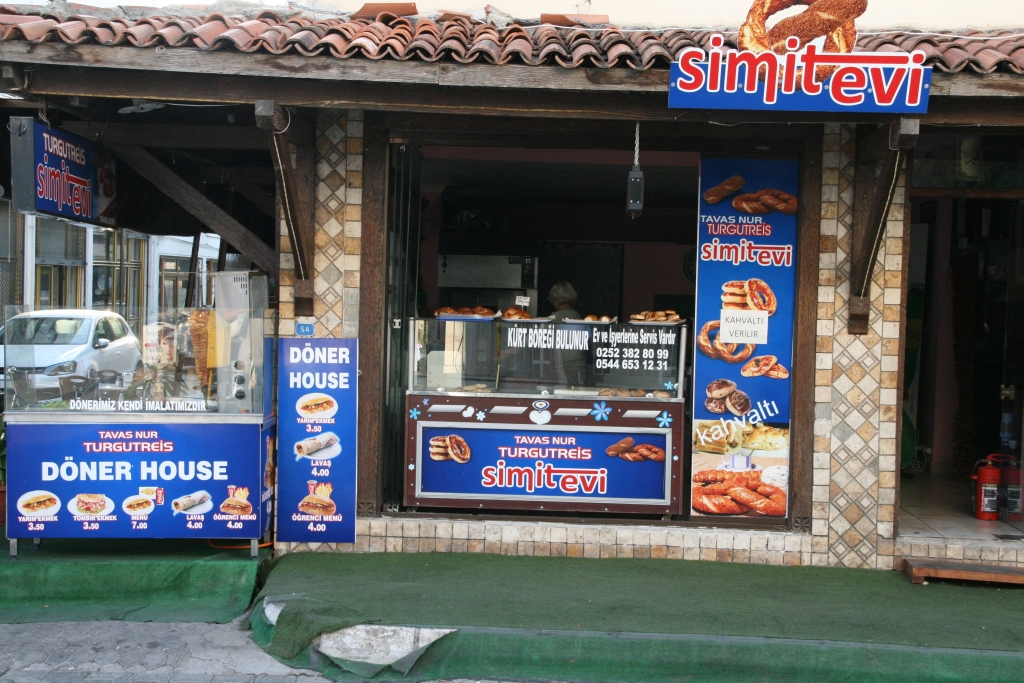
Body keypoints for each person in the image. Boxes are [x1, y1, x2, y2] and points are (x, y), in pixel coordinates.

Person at [547, 281, 588, 387]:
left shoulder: (556, 317)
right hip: (581, 364)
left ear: (555, 299)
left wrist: (510, 351)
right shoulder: (577, 315)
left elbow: (533, 335)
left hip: (564, 366)